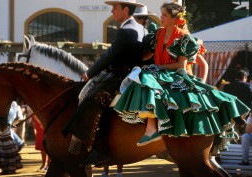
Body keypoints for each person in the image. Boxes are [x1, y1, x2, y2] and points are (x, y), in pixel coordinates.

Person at [114, 2, 250, 147]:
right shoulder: (159, 33)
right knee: (141, 75)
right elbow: (147, 55)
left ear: (174, 18)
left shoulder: (184, 39)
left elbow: (182, 66)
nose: (161, 17)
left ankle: (152, 128)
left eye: (164, 15)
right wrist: (129, 53)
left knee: (146, 77)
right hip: (159, 71)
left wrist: (155, 66)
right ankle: (151, 126)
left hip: (175, 74)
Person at [62, 0, 146, 166]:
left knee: (91, 100)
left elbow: (110, 56)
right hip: (132, 73)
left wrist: (89, 73)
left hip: (121, 75)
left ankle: (98, 149)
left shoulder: (126, 30)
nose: (111, 11)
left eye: (115, 7)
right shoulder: (141, 28)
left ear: (126, 9)